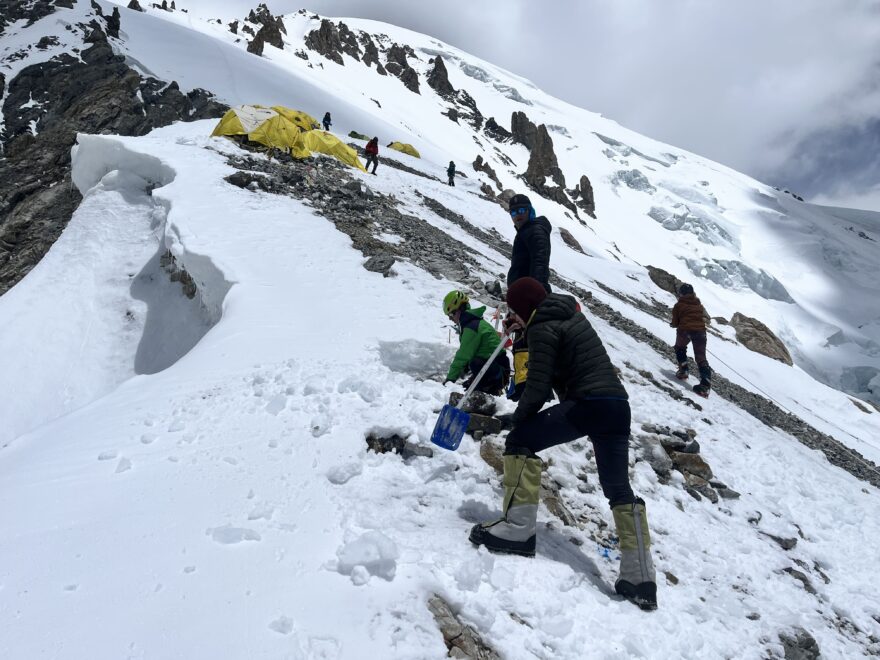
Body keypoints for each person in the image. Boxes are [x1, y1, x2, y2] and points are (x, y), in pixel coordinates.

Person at [469, 277, 658, 611]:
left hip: (589, 404)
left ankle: (517, 530)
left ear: (524, 307)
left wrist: (519, 417)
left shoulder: (542, 326)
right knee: (617, 487)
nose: (513, 314)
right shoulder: (567, 313)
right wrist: (525, 330)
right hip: (616, 407)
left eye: (515, 310)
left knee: (520, 442)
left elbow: (538, 386)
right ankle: (640, 579)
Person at [504, 193, 553, 402]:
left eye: (521, 211)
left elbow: (540, 263)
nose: (517, 215)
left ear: (530, 211)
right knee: (523, 347)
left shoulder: (534, 231)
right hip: (523, 299)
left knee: (526, 347)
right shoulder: (527, 231)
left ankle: (529, 397)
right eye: (513, 212)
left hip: (530, 300)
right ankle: (525, 396)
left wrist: (536, 297)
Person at [442, 291, 509, 395]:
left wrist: (450, 379)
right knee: (467, 384)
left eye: (451, 314)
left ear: (460, 310)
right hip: (496, 369)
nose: (450, 318)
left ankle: (490, 389)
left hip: (498, 373)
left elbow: (463, 356)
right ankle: (485, 387)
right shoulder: (473, 323)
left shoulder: (472, 327)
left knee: (474, 362)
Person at [671, 283, 712, 397]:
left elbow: (675, 322)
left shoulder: (679, 305)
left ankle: (683, 370)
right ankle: (705, 386)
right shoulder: (699, 305)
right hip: (700, 333)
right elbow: (705, 318)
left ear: (681, 293)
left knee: (680, 347)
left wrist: (673, 324)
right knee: (701, 358)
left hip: (685, 331)